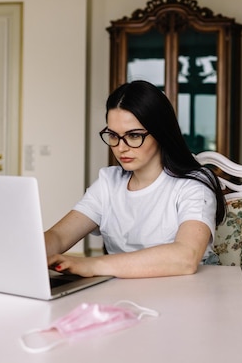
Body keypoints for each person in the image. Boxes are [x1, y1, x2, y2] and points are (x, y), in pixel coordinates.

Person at [44, 80, 226, 278]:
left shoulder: (193, 186)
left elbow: (186, 257)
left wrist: (93, 265)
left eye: (134, 135)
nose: (121, 147)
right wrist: (30, 252)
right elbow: (59, 237)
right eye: (113, 135)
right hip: (123, 297)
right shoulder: (108, 183)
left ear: (160, 134)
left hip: (188, 294)